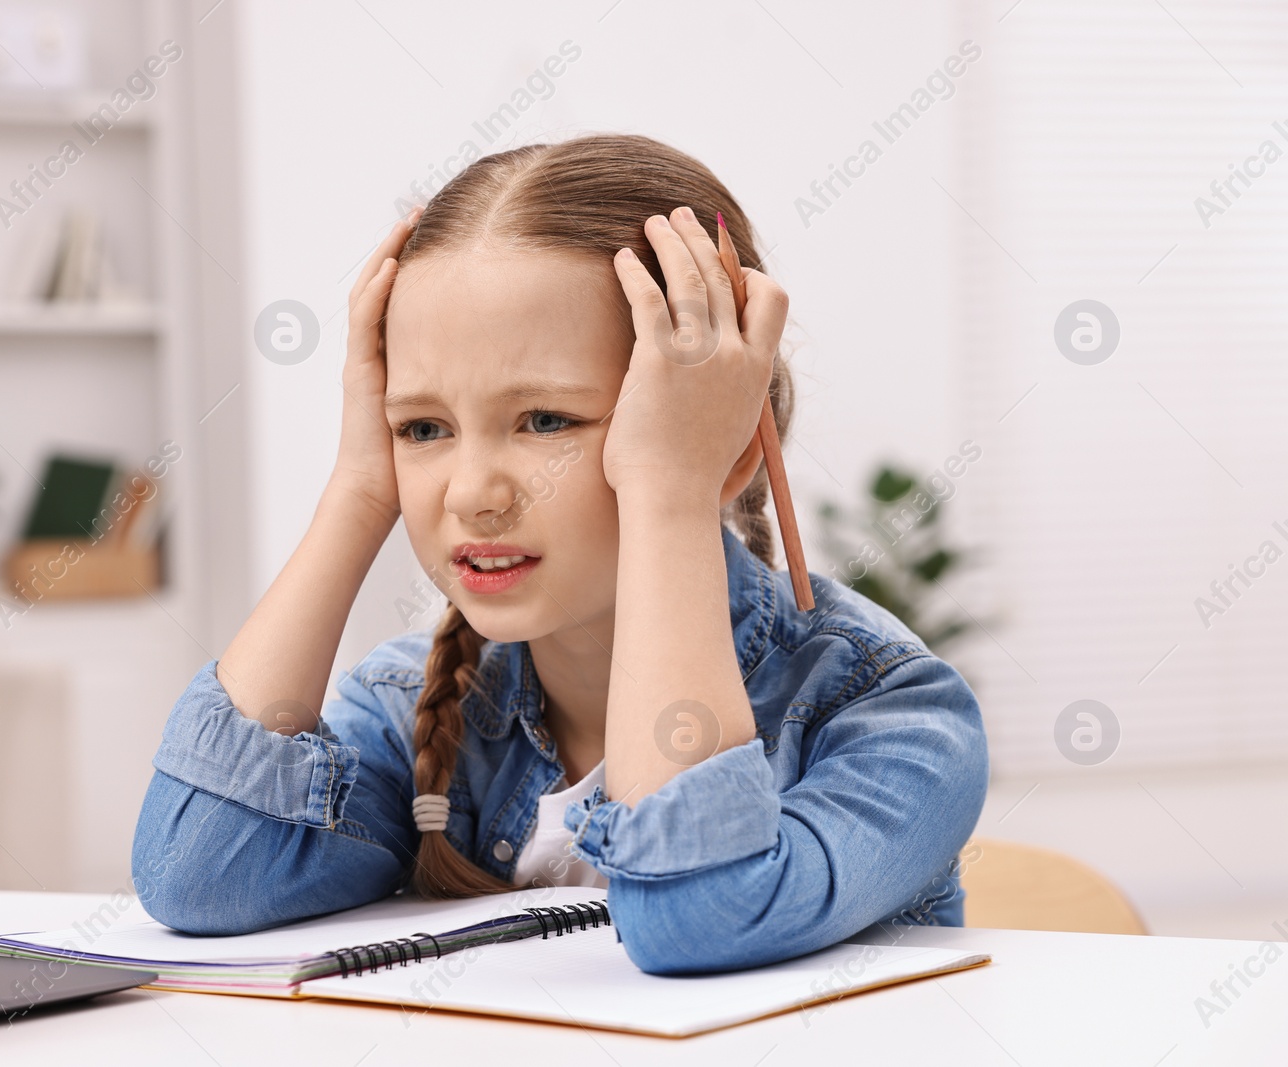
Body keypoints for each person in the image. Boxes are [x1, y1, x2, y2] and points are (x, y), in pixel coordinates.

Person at [131, 133, 989, 975]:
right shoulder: (414, 703)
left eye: (546, 420)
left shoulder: (886, 714)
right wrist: (358, 488)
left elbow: (697, 917)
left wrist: (670, 494)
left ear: (723, 444)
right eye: (422, 427)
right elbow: (197, 874)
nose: (471, 492)